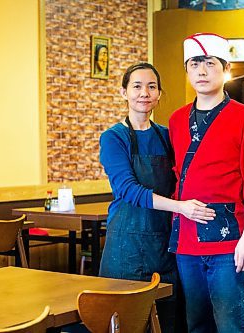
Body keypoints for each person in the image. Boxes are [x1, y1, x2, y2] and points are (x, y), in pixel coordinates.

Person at [99, 62, 215, 333]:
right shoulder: (113, 138)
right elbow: (128, 190)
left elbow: (187, 178)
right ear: (123, 92)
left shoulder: (167, 135)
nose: (144, 93)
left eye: (152, 87)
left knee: (168, 323)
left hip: (165, 248)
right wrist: (181, 207)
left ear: (159, 94)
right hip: (126, 250)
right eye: (136, 86)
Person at [168, 33, 244, 332]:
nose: (201, 71)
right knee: (196, 323)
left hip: (230, 241)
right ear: (187, 71)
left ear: (225, 69)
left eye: (210, 63)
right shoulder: (176, 120)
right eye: (194, 64)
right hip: (186, 238)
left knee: (229, 325)